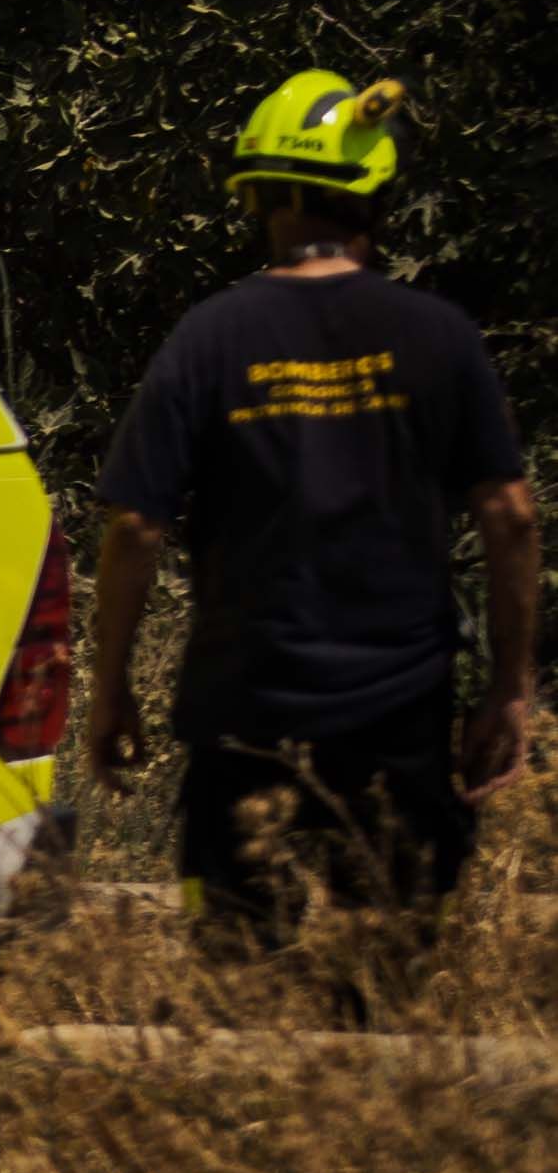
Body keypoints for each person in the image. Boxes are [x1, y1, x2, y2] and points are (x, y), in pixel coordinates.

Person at [88, 72, 539, 932]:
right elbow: (512, 515)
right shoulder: (439, 334)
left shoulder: (210, 336)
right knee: (391, 963)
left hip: (242, 710)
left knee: (237, 974)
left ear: (257, 194)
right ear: (375, 191)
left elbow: (136, 526)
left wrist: (110, 688)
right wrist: (507, 691)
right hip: (399, 712)